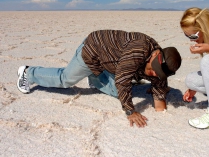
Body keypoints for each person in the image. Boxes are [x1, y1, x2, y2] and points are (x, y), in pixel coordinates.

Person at [17, 30, 182, 128]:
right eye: (155, 70)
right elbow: (123, 80)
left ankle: (95, 78)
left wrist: (161, 113)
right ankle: (28, 72)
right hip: (93, 51)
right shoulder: (137, 52)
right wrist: (131, 112)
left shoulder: (161, 65)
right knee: (66, 79)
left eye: (159, 73)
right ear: (155, 55)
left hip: (111, 61)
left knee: (120, 94)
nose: (154, 74)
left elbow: (159, 89)